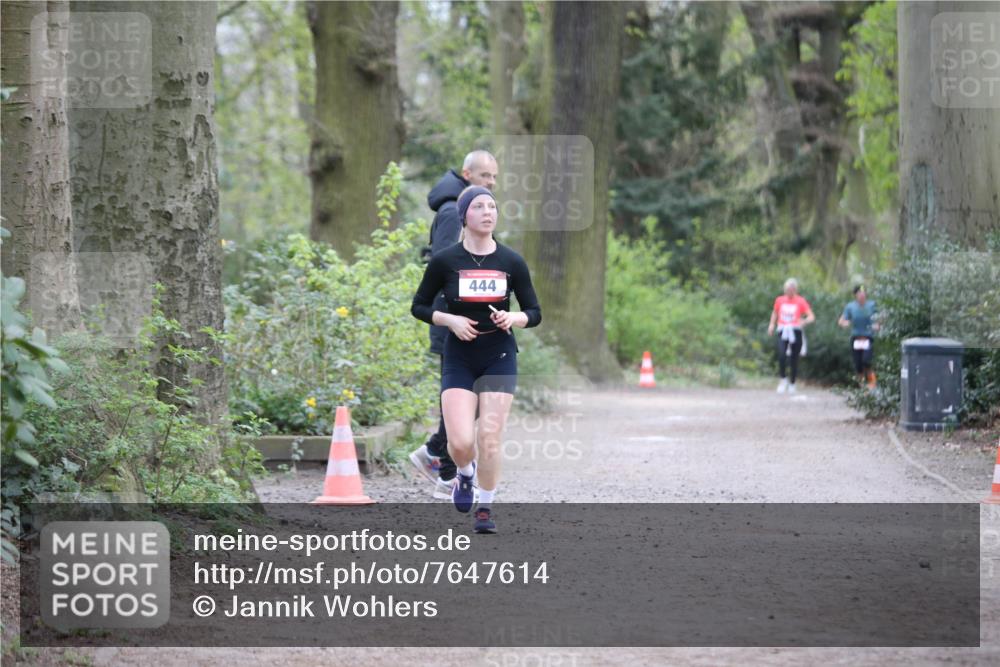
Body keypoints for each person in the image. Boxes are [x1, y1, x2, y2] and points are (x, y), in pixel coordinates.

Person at [411, 186, 541, 533]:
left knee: (490, 436)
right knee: (460, 443)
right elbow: (419, 306)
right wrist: (450, 320)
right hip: (459, 357)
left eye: (492, 206)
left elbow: (534, 312)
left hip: (499, 355)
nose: (487, 212)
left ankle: (485, 506)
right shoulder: (445, 261)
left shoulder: (511, 262)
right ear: (464, 216)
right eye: (479, 206)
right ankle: (465, 474)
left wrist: (514, 318)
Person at [409, 151, 499, 500]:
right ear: (466, 174)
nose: (491, 183)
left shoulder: (467, 208)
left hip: (470, 321)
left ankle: (434, 452)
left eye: (494, 177)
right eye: (485, 176)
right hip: (452, 321)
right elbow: (449, 267)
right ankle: (447, 473)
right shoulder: (452, 212)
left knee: (469, 396)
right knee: (462, 398)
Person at [767, 278, 815, 394]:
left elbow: (811, 316)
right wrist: (772, 325)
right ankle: (783, 380)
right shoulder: (779, 300)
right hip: (782, 330)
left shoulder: (800, 301)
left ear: (795, 290)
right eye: (788, 289)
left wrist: (804, 321)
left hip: (795, 330)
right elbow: (775, 312)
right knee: (782, 354)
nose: (790, 292)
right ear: (785, 289)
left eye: (792, 290)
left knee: (794, 357)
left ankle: (792, 383)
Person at [838, 284, 879, 389]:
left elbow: (880, 318)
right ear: (855, 295)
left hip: (868, 337)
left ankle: (872, 384)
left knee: (867, 361)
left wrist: (877, 324)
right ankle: (861, 387)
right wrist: (845, 323)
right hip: (856, 338)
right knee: (858, 365)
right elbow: (841, 321)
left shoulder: (872, 305)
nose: (862, 295)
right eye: (859, 293)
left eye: (864, 293)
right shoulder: (850, 307)